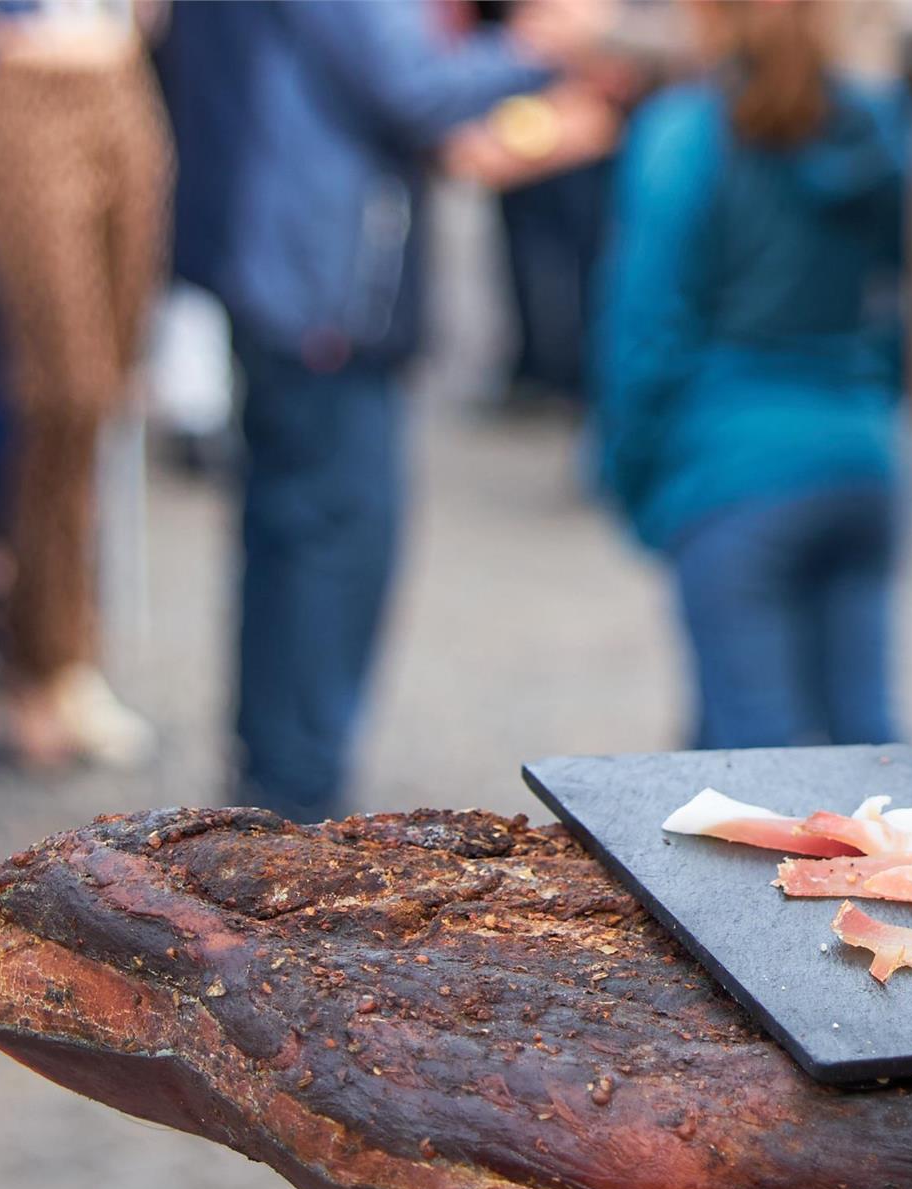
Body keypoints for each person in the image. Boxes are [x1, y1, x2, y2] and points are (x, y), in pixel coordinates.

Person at [161, 1, 595, 823]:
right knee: (335, 538)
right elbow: (410, 82)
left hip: (280, 264)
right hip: (320, 280)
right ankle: (296, 790)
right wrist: (545, 43)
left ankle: (277, 771)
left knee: (288, 528)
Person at [593, 0, 909, 750]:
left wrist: (630, 478)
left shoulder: (685, 131)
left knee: (750, 772)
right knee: (873, 764)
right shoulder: (879, 127)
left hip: (732, 467)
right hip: (858, 458)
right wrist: (876, 393)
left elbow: (643, 330)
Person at [0, 0, 171, 768]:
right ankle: (39, 658)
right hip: (26, 81)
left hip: (121, 81)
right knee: (62, 391)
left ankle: (67, 657)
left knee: (106, 393)